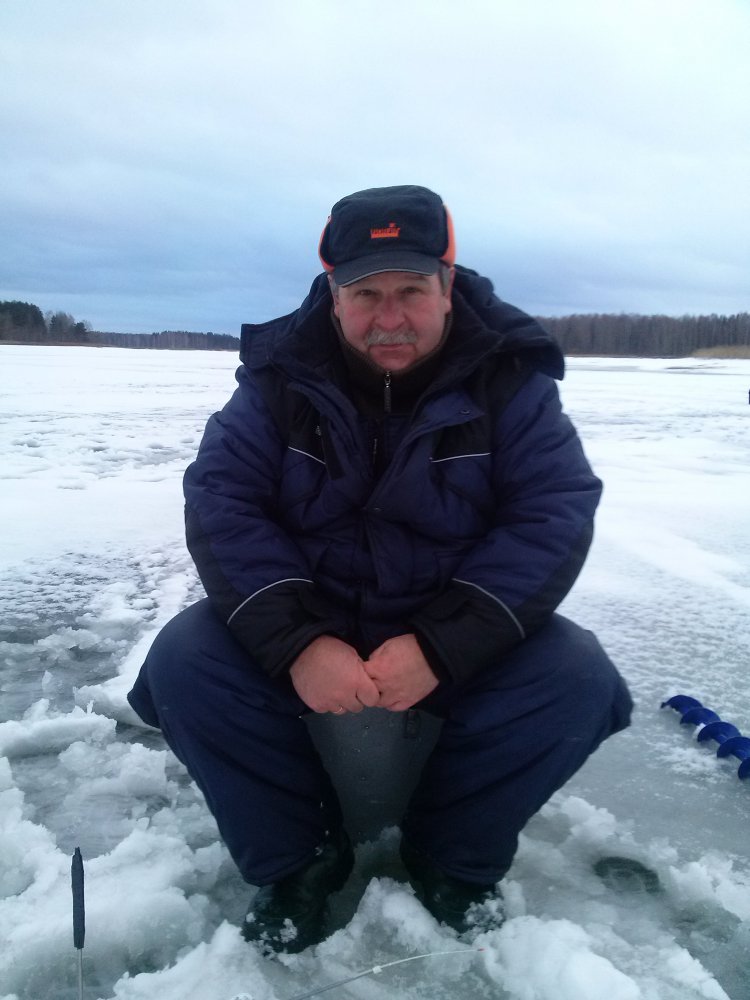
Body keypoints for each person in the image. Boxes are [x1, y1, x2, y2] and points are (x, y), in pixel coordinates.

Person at [128, 184, 632, 951]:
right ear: (334, 297)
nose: (388, 317)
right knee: (185, 660)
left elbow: (552, 510)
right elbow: (223, 500)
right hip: (314, 615)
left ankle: (451, 861)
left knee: (576, 676)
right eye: (366, 294)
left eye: (411, 292)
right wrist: (300, 643)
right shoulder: (278, 379)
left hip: (447, 628)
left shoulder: (510, 380)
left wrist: (442, 645)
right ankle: (299, 863)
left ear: (448, 287)